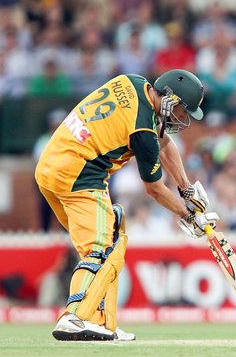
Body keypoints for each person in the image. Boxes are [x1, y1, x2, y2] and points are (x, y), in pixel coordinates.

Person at [35, 69, 220, 341]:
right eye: (182, 110)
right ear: (169, 98)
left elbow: (163, 141)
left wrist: (187, 189)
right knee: (99, 250)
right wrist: (188, 216)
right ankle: (75, 317)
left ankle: (102, 324)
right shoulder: (143, 130)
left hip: (50, 166)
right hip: (79, 176)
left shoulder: (132, 82)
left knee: (110, 238)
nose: (182, 118)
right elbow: (154, 189)